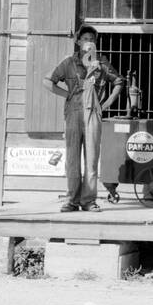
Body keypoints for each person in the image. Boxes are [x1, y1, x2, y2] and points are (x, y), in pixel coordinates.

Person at [44, 24, 124, 212]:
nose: (89, 42)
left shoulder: (101, 63)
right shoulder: (69, 63)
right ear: (78, 41)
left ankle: (88, 201)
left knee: (91, 159)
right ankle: (72, 200)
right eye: (86, 39)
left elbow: (119, 81)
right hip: (73, 113)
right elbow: (48, 82)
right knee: (72, 159)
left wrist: (105, 105)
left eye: (92, 40)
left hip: (93, 113)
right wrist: (67, 95)